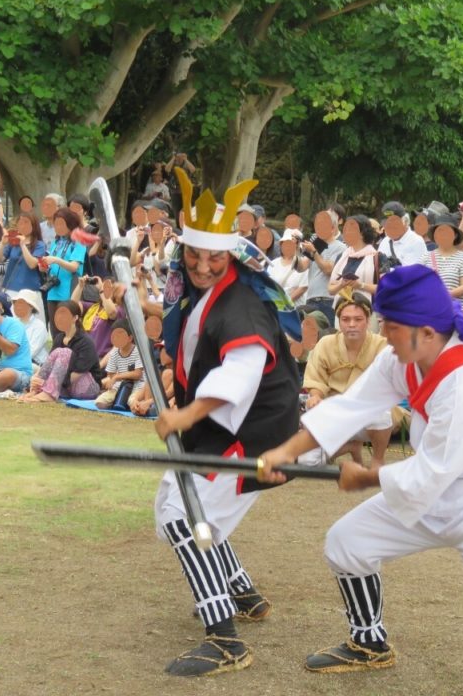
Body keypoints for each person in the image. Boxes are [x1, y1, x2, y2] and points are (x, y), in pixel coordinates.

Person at [258, 265, 463, 696]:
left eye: (391, 326)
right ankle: (369, 642)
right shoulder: (400, 356)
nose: (384, 335)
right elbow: (351, 407)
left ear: (425, 332)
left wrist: (366, 475)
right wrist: (288, 452)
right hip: (440, 486)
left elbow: (432, 470)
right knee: (346, 542)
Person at [150, 179, 302, 678]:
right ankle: (241, 588)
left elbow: (239, 374)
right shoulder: (204, 291)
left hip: (254, 435)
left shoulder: (241, 304)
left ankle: (224, 638)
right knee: (174, 502)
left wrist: (186, 414)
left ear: (231, 256)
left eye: (213, 259)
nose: (202, 267)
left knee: (185, 520)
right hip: (221, 427)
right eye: (194, 256)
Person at [303, 292, 396, 466]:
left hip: (367, 415)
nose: (351, 325)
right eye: (346, 319)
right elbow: (315, 378)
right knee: (307, 462)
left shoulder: (381, 345)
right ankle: (350, 447)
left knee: (382, 415)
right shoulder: (325, 344)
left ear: (368, 321)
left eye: (358, 319)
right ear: (338, 321)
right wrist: (315, 396)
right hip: (334, 412)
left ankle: (378, 459)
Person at [18, 301, 103, 402]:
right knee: (58, 352)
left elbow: (76, 375)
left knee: (65, 352)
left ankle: (48, 395)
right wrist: (36, 380)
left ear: (75, 318)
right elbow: (49, 364)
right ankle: (36, 392)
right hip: (64, 385)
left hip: (87, 387)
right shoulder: (59, 338)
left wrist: (47, 384)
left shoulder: (86, 342)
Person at [42, 207, 87, 327]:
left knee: (68, 328)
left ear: (70, 224)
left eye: (61, 224)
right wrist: (45, 266)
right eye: (55, 224)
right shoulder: (56, 242)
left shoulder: (78, 241)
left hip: (69, 292)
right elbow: (51, 265)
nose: (58, 227)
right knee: (54, 328)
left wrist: (56, 260)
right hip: (52, 291)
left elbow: (74, 267)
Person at [301, 210, 346, 329]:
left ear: (333, 227)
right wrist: (293, 250)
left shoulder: (340, 247)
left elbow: (328, 270)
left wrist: (314, 252)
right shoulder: (314, 244)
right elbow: (301, 267)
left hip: (328, 301)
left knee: (327, 336)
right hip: (311, 299)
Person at [421, 214, 463, 305]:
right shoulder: (425, 257)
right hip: (429, 311)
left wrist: (443, 295)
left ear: (455, 235)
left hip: (454, 312)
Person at [328, 215, 379, 303]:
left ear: (362, 234)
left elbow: (385, 288)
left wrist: (361, 285)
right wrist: (341, 284)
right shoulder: (342, 256)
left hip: (368, 310)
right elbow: (330, 290)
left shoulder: (377, 257)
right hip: (342, 309)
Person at [95, 319, 144, 409]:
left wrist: (117, 377)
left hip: (137, 386)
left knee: (132, 402)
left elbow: (138, 374)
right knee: (100, 402)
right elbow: (110, 374)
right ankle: (117, 401)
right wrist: (113, 380)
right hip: (119, 386)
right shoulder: (114, 353)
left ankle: (124, 402)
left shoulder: (138, 351)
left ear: (130, 338)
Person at [0, 212, 47, 295]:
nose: (23, 226)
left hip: (29, 290)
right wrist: (2, 244)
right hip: (9, 288)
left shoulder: (39, 244)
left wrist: (23, 245)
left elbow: (32, 264)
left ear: (33, 226)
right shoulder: (12, 243)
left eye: (26, 222)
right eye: (20, 223)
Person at [378, 201, 428, 266]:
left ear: (405, 220)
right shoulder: (385, 242)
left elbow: (410, 273)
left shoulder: (416, 241)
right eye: (386, 224)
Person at [267, 229, 309, 302]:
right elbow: (268, 285)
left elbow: (302, 288)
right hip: (275, 306)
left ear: (297, 246)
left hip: (296, 309)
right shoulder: (273, 263)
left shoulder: (303, 264)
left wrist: (285, 303)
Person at [11, 288, 49, 366]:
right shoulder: (13, 323)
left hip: (34, 363)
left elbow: (31, 352)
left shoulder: (39, 326)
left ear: (31, 306)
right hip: (14, 361)